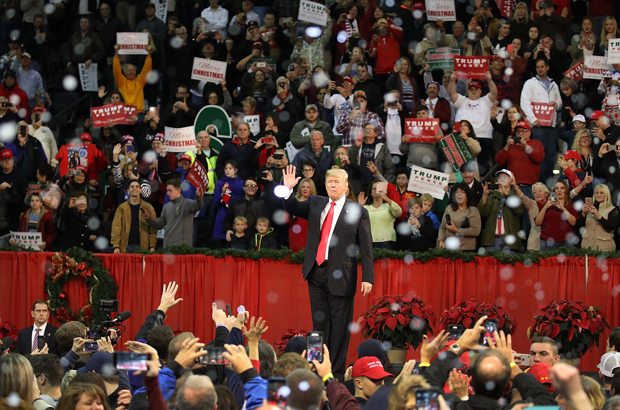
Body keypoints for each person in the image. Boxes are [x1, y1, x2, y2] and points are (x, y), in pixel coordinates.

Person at [282, 166, 373, 377]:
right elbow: (293, 207)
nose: (333, 185)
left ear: (346, 185)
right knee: (319, 326)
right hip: (316, 273)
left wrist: (368, 277)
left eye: (337, 182)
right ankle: (316, 370)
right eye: (329, 182)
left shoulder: (358, 211)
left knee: (339, 329)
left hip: (342, 276)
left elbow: (367, 248)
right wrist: (287, 190)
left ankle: (336, 375)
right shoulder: (315, 203)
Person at [520, 57, 563, 184]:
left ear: (547, 67)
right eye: (538, 67)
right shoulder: (530, 83)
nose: (540, 69)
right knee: (539, 157)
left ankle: (549, 187)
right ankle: (539, 185)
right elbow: (524, 102)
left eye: (542, 66)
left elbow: (560, 103)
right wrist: (532, 119)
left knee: (550, 157)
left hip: (551, 125)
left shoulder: (554, 84)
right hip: (537, 126)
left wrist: (555, 103)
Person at [448, 72, 498, 175]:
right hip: (462, 137)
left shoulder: (485, 101)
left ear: (480, 91)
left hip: (483, 137)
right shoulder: (463, 101)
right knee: (462, 166)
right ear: (468, 91)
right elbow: (452, 94)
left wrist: (490, 80)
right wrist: (452, 80)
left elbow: (494, 93)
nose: (473, 91)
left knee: (482, 167)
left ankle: (481, 189)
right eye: (471, 89)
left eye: (476, 89)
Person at [144, 179, 204, 247]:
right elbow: (159, 224)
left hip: (183, 248)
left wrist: (198, 198)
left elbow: (199, 206)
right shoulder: (166, 207)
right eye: (167, 191)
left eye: (170, 191)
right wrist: (149, 219)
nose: (167, 193)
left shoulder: (187, 203)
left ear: (178, 190)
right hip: (167, 247)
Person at [494, 121, 545, 199]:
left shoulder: (536, 143)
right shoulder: (511, 146)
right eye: (518, 131)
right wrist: (507, 146)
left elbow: (538, 158)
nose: (521, 133)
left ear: (529, 133)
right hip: (511, 187)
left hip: (529, 187)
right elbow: (499, 161)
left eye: (524, 131)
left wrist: (526, 146)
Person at [478, 170, 525, 253]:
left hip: (510, 241)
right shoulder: (491, 196)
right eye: (500, 177)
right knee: (491, 265)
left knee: (509, 265)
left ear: (511, 181)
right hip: (491, 240)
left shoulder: (515, 196)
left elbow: (519, 211)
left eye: (505, 177)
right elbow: (482, 213)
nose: (502, 179)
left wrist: (507, 195)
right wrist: (485, 195)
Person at [111, 180, 157, 253]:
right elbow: (116, 228)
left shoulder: (148, 208)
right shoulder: (121, 208)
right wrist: (116, 246)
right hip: (125, 246)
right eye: (132, 187)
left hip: (143, 246)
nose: (134, 188)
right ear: (128, 191)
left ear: (140, 190)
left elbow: (153, 228)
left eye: (137, 187)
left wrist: (152, 246)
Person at [348, 122, 394, 190]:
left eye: (370, 129)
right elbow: (350, 160)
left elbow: (389, 167)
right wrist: (356, 147)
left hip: (376, 183)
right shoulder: (358, 144)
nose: (367, 131)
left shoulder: (382, 147)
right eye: (365, 129)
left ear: (376, 134)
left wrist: (385, 183)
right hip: (359, 183)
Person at [535, 180, 579, 250]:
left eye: (562, 188)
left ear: (566, 191)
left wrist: (562, 208)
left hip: (566, 243)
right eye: (557, 188)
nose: (559, 190)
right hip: (547, 242)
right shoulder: (546, 205)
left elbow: (573, 222)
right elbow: (538, 222)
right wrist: (546, 206)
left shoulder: (572, 206)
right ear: (554, 191)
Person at [358, 181, 402, 249]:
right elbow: (356, 221)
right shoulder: (365, 208)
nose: (376, 191)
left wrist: (387, 199)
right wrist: (360, 206)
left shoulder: (389, 206)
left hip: (388, 240)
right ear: (370, 192)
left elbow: (398, 213)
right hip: (370, 241)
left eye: (379, 189)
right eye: (374, 189)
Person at [438, 183, 482, 251]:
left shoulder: (472, 210)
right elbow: (442, 227)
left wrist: (456, 230)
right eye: (457, 192)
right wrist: (440, 240)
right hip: (448, 248)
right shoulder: (449, 208)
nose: (459, 194)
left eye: (462, 192)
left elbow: (476, 231)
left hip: (465, 250)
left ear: (467, 195)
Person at [113, 43, 153, 112]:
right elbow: (116, 70)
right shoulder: (121, 81)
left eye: (133, 70)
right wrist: (116, 52)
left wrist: (149, 54)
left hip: (138, 112)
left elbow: (147, 69)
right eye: (129, 71)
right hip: (125, 112)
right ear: (125, 73)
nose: (131, 72)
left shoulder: (140, 81)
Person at [578, 184, 619, 251]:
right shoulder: (588, 208)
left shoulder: (612, 209)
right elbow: (579, 226)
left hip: (605, 249)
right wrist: (583, 214)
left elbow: (611, 227)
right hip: (587, 247)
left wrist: (598, 216)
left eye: (601, 193)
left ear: (606, 195)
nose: (598, 195)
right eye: (597, 193)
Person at [213, 160, 245, 246]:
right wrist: (222, 194)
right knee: (222, 243)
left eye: (230, 168)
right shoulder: (220, 183)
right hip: (223, 214)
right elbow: (216, 203)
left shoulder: (242, 183)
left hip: (237, 215)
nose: (227, 170)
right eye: (226, 168)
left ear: (236, 170)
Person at [512, 181, 548, 250]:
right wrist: (514, 185)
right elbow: (522, 197)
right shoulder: (532, 204)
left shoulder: (552, 204)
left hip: (550, 242)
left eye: (540, 191)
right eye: (535, 192)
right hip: (534, 244)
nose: (537, 193)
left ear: (546, 193)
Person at [288, 178, 316, 252]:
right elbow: (285, 219)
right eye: (303, 187)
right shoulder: (294, 201)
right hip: (296, 235)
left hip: (310, 236)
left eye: (308, 187)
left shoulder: (316, 202)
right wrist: (292, 215)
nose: (305, 189)